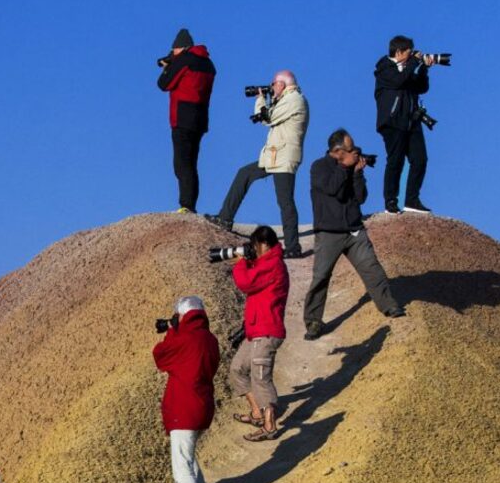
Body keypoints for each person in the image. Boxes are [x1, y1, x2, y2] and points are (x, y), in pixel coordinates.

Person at [302, 129, 404, 340]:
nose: (355, 153)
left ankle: (389, 305)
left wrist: (357, 173)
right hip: (329, 232)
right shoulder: (319, 167)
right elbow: (333, 190)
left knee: (371, 267)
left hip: (354, 229)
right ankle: (313, 322)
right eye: (351, 149)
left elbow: (360, 197)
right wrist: (344, 167)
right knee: (321, 277)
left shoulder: (349, 167)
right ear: (338, 151)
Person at [207, 70, 309, 258]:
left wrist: (263, 100)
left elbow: (269, 117)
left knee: (285, 201)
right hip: (273, 156)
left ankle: (293, 247)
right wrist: (262, 100)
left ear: (282, 84)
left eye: (273, 84)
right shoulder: (285, 99)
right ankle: (225, 218)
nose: (271, 87)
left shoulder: (294, 99)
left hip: (284, 157)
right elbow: (265, 119)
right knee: (244, 174)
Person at [152, 294, 219, 483]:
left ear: (182, 316)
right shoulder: (209, 339)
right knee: (188, 456)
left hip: (185, 410)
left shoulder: (184, 339)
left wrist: (171, 331)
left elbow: (160, 355)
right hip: (203, 406)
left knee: (181, 465)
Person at [226, 226, 289, 441]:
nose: (252, 250)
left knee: (261, 377)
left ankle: (269, 425)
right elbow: (255, 276)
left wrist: (241, 263)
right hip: (256, 330)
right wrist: (247, 261)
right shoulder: (265, 263)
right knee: (237, 369)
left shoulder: (274, 265)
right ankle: (256, 412)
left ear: (263, 244)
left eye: (254, 246)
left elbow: (247, 282)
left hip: (267, 330)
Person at [374, 35, 437, 214]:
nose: (412, 56)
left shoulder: (408, 69)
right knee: (396, 161)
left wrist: (424, 68)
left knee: (420, 160)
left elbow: (421, 88)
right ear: (399, 52)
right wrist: (413, 63)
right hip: (393, 121)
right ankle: (391, 201)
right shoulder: (384, 69)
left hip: (412, 120)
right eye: (410, 52)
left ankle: (412, 200)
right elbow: (399, 80)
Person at [156, 28, 216, 214]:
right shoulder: (208, 64)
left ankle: (186, 205)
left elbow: (163, 84)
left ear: (179, 48)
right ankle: (190, 204)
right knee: (191, 163)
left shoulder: (184, 60)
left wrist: (168, 66)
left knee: (182, 164)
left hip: (182, 117)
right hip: (200, 118)